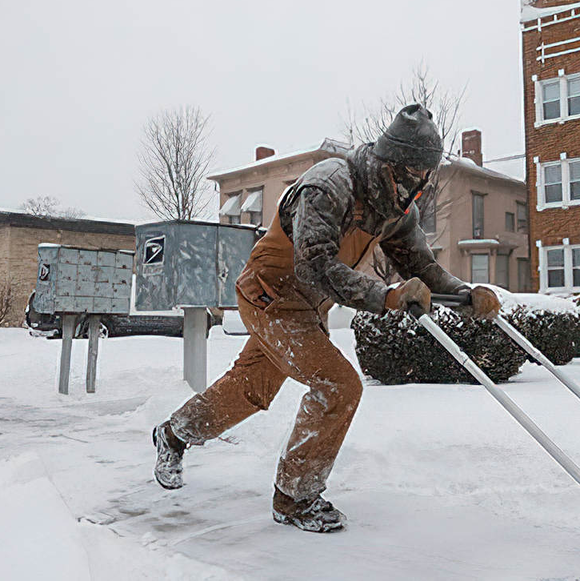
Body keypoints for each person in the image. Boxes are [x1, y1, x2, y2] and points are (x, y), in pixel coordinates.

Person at [151, 104, 501, 533]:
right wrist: (386, 296)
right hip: (270, 295)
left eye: (425, 175)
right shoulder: (329, 185)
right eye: (412, 173)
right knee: (339, 383)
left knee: (250, 388)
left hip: (309, 307)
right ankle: (296, 498)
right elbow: (313, 266)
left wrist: (465, 295)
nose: (418, 185)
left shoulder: (395, 209)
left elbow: (422, 268)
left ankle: (174, 433)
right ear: (390, 163)